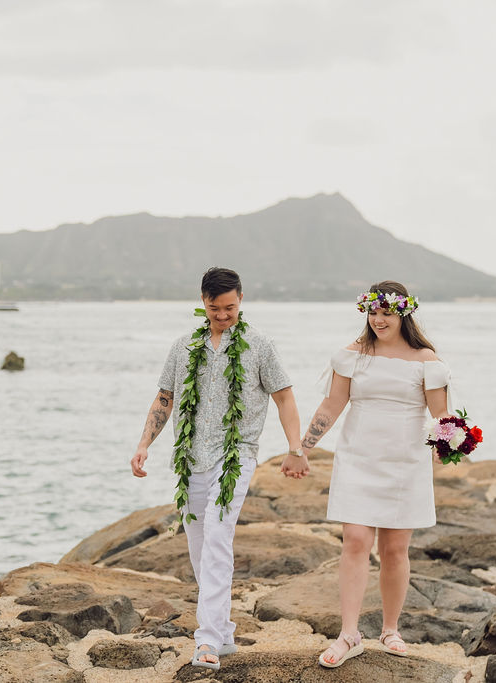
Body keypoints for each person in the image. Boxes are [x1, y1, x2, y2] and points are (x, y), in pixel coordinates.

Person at [130, 267, 305, 671]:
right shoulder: (184, 345)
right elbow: (164, 398)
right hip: (190, 456)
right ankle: (223, 631)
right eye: (214, 308)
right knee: (198, 544)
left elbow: (284, 398)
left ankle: (206, 640)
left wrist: (296, 448)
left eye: (229, 307)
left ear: (240, 299)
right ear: (202, 302)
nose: (222, 315)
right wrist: (143, 444)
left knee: (217, 539)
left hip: (235, 456)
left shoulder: (260, 345)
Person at [301, 280, 450, 668]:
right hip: (358, 458)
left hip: (404, 463)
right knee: (354, 540)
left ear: (404, 312)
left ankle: (390, 629)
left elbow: (441, 416)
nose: (379, 319)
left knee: (394, 550)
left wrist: (449, 445)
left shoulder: (426, 360)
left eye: (387, 312)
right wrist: (302, 448)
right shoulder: (353, 355)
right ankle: (349, 634)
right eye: (373, 312)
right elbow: (332, 405)